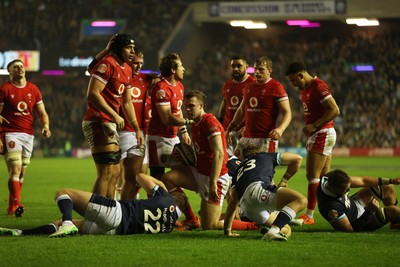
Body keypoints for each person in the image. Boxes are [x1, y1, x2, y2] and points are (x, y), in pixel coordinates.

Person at [162, 90, 258, 231]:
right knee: (168, 178)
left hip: (216, 178)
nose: (188, 109)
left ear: (201, 105)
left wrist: (213, 182)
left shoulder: (209, 122)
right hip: (200, 173)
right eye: (186, 106)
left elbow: (219, 153)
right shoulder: (195, 124)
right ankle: (191, 218)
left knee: (210, 225)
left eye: (192, 106)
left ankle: (253, 225)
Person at [0, 172, 180, 237]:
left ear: (175, 195)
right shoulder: (170, 224)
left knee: (63, 193)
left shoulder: (165, 197)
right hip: (115, 231)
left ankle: (68, 224)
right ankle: (20, 232)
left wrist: (163, 186)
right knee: (59, 223)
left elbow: (140, 176)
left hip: (116, 213)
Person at [82, 34, 143, 199]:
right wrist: (114, 115)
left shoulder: (127, 69)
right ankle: (96, 215)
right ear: (118, 48)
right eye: (128, 47)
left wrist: (136, 128)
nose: (132, 51)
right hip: (98, 119)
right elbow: (93, 94)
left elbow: (127, 102)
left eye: (133, 48)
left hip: (109, 121)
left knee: (115, 172)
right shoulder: (107, 64)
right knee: (106, 171)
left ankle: (109, 213)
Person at [286, 61, 340, 225]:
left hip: (322, 133)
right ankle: (339, 205)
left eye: (294, 80)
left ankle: (309, 215)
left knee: (312, 175)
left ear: (301, 75)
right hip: (319, 133)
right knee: (324, 177)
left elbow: (335, 110)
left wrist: (316, 125)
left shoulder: (318, 86)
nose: (294, 85)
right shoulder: (306, 90)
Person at [224, 139, 307, 241]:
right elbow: (297, 159)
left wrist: (227, 231)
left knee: (286, 229)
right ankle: (272, 232)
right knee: (301, 200)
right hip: (258, 189)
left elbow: (232, 204)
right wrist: (284, 181)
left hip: (247, 207)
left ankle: (270, 230)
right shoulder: (265, 156)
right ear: (259, 149)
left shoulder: (238, 171)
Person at [0, 59, 51, 217]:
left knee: (21, 173)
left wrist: (46, 126)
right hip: (10, 133)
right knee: (15, 169)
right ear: (10, 72)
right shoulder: (4, 89)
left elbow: (42, 113)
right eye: (16, 67)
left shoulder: (33, 89)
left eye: (21, 66)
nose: (20, 69)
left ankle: (11, 207)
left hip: (28, 134)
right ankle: (18, 204)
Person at [226, 56, 291, 154]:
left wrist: (280, 129)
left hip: (266, 139)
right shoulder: (249, 87)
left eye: (261, 69)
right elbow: (241, 111)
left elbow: (287, 112)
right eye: (256, 69)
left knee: (264, 169)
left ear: (269, 71)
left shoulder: (276, 87)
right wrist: (229, 129)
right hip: (247, 137)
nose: (257, 72)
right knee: (235, 166)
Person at [316, 169, 400, 232]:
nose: (349, 190)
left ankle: (395, 222)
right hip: (357, 221)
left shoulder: (330, 179)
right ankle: (394, 216)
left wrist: (392, 180)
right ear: (335, 191)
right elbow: (349, 229)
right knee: (394, 211)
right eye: (346, 189)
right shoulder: (330, 207)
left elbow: (363, 181)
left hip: (355, 204)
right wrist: (368, 211)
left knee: (387, 186)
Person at [218, 55, 255, 156]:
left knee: (244, 164)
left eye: (239, 66)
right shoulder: (227, 84)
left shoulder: (253, 84)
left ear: (246, 67)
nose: (235, 69)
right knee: (227, 164)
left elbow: (256, 110)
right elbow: (224, 105)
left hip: (244, 133)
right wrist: (220, 125)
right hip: (227, 132)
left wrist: (248, 126)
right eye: (233, 66)